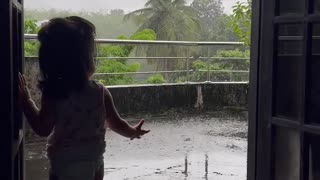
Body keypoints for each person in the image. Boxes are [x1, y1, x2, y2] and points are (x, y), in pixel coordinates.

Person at [18, 16, 150, 180]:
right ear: (86, 61)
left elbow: (42, 128)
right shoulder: (100, 92)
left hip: (65, 164)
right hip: (94, 160)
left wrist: (26, 100)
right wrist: (132, 132)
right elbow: (116, 123)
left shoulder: (55, 92)